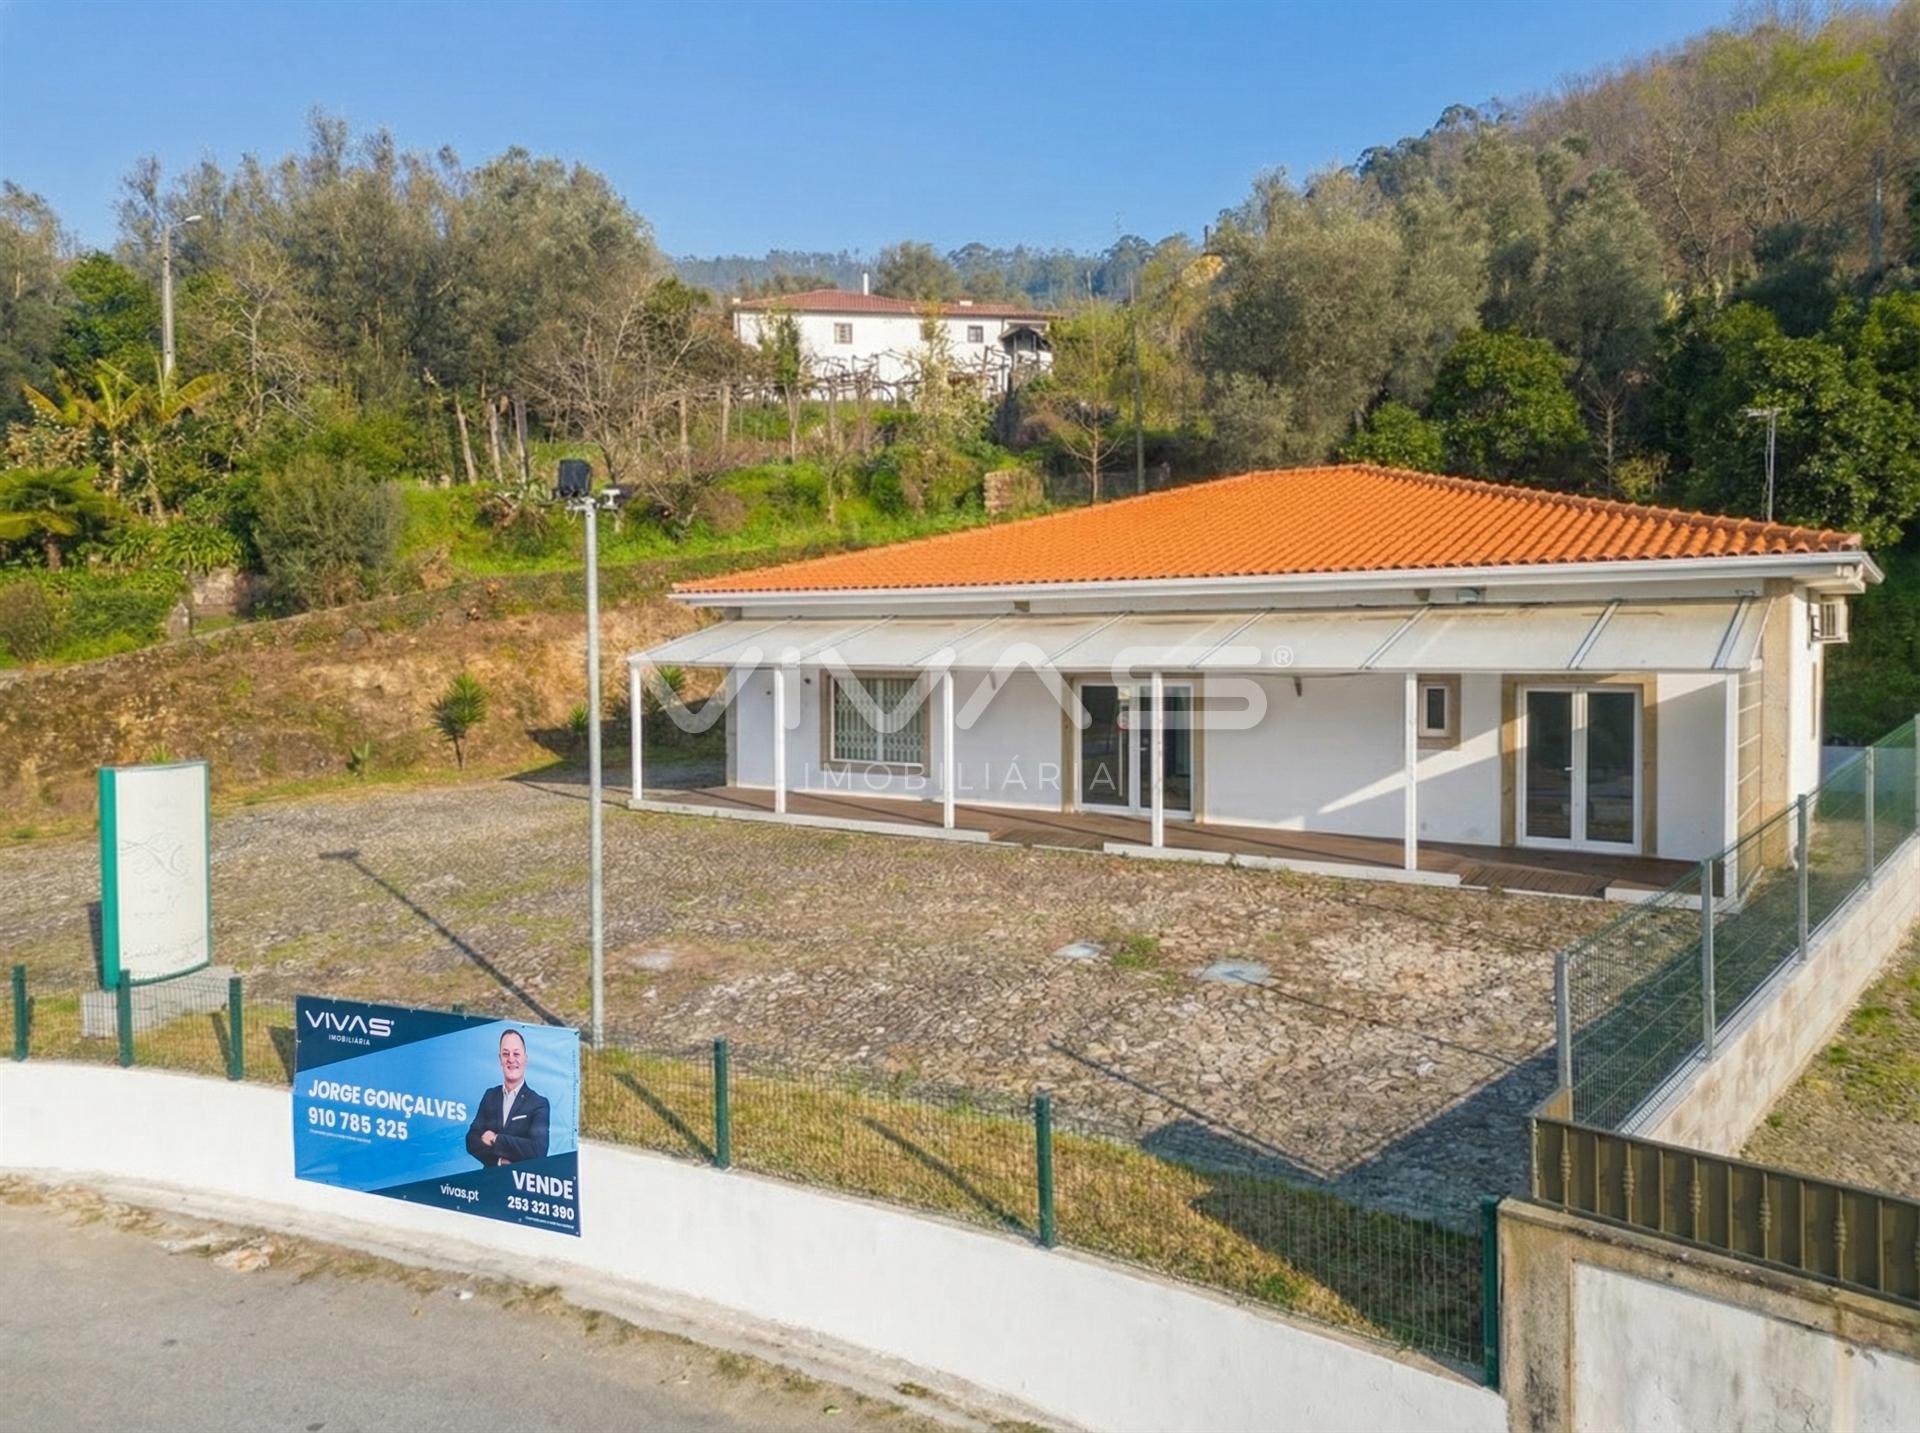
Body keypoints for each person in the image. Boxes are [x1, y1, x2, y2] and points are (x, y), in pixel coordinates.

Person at [464, 1028, 550, 1169]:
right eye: (505, 1054)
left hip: (520, 1183)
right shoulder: (490, 1096)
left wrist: (495, 1139)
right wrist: (498, 1162)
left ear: (525, 1059)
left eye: (516, 1054)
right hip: (489, 1179)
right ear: (500, 1059)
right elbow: (471, 1140)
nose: (511, 1059)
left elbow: (538, 1150)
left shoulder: (538, 1104)